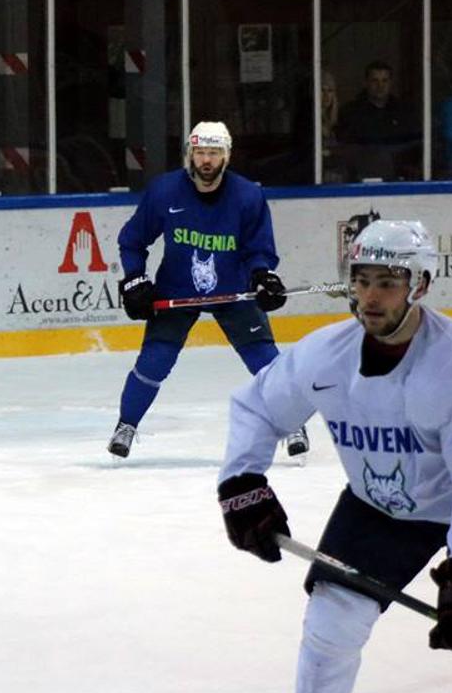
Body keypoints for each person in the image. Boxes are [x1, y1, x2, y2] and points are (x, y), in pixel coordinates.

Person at [216, 219, 452, 693]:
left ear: (422, 285)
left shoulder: (450, 365)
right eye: (362, 280)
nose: (370, 297)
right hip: (377, 509)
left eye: (388, 284)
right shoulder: (325, 355)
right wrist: (242, 482)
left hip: (450, 504)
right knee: (330, 628)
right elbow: (258, 406)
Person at [109, 120, 308, 460]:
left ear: (226, 156)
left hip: (233, 290)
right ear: (189, 154)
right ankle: (126, 424)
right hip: (177, 288)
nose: (206, 160)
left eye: (213, 153)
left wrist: (264, 277)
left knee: (265, 362)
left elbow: (259, 248)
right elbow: (132, 241)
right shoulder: (165, 191)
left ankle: (292, 424)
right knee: (154, 362)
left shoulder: (247, 195)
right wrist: (134, 279)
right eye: (200, 152)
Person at [335, 60, 420, 180]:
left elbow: (415, 143)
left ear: (391, 82)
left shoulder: (404, 111)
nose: (380, 86)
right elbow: (346, 147)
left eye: (385, 80)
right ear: (366, 82)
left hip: (398, 178)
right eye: (375, 80)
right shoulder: (351, 112)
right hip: (361, 178)